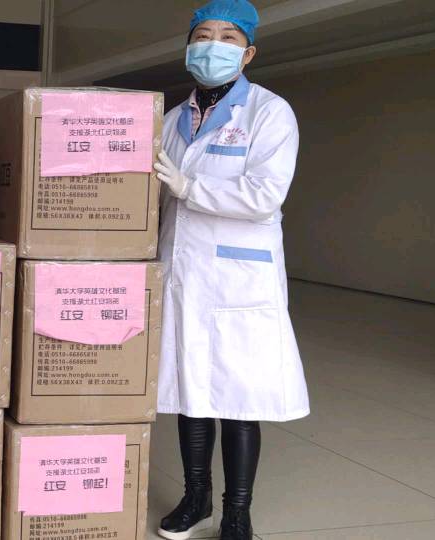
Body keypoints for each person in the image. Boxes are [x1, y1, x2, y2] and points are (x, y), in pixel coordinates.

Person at [152, 1, 310, 539]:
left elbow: (265, 195)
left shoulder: (269, 113)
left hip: (239, 278)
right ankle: (195, 498)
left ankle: (237, 512)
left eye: (227, 37)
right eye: (202, 35)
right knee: (189, 392)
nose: (212, 45)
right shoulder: (171, 120)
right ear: (188, 48)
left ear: (248, 53)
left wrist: (189, 186)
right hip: (181, 272)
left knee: (239, 400)